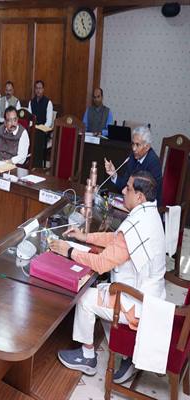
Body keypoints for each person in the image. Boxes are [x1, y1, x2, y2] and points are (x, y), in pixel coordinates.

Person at [52, 171, 165, 384]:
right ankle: (128, 353)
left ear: (139, 196)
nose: (123, 190)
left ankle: (87, 356)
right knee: (101, 291)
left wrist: (69, 251)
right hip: (153, 295)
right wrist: (85, 236)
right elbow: (116, 238)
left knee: (85, 298)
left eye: (128, 188)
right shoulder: (150, 213)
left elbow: (101, 264)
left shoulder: (139, 222)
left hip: (138, 302)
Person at [105, 126, 163, 206]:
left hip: (146, 207)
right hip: (133, 203)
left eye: (137, 145)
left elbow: (150, 197)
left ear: (147, 147)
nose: (134, 149)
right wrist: (114, 175)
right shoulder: (132, 156)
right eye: (133, 144)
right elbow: (125, 185)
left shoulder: (154, 163)